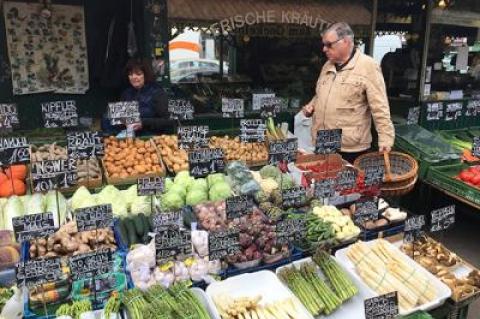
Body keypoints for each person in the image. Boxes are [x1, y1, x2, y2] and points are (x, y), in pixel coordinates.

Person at [302, 22, 395, 163]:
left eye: (329, 44)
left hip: (350, 146)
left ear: (345, 41)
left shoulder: (368, 66)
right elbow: (320, 93)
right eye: (324, 44)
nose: (324, 49)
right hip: (325, 140)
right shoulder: (327, 65)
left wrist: (386, 138)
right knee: (323, 180)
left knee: (348, 183)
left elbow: (380, 107)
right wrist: (312, 105)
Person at [120, 58, 173, 134]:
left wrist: (143, 123)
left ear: (146, 75)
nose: (134, 77)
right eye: (130, 74)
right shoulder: (126, 94)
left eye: (138, 74)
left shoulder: (157, 93)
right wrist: (122, 121)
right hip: (130, 139)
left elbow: (168, 121)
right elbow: (121, 118)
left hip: (154, 138)